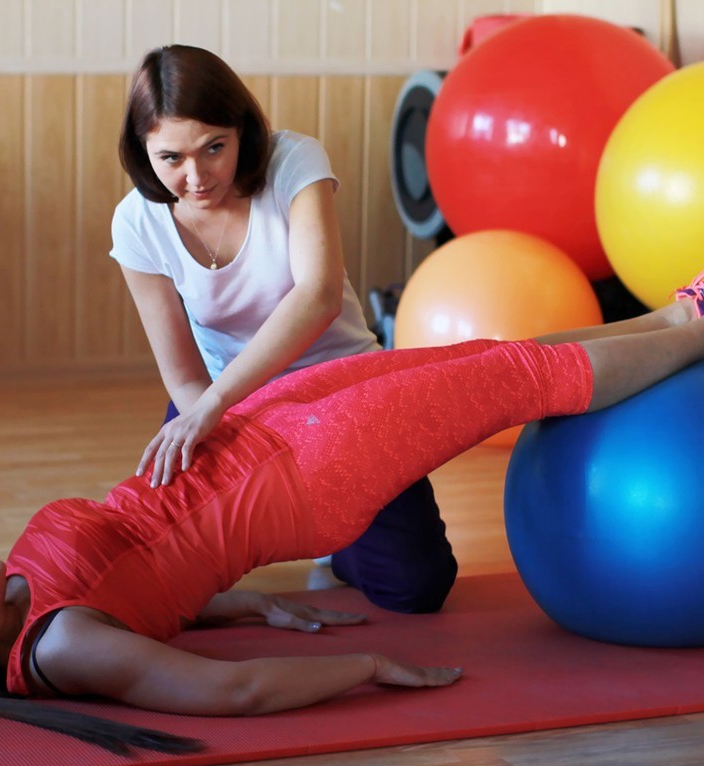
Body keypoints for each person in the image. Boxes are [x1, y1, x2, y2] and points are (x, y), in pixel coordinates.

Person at [0, 281, 704, 752]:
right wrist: (367, 667)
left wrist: (247, 603)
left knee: (483, 357)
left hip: (255, 428)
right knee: (514, 381)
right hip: (304, 475)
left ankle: (679, 313)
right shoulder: (60, 649)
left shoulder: (24, 596)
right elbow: (231, 692)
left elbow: (137, 591)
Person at [109, 43, 456, 614]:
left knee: (417, 588)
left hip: (339, 386)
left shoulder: (294, 161)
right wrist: (218, 417)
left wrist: (220, 403)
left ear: (242, 131)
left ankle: (336, 543)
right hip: (225, 399)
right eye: (171, 158)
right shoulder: (137, 222)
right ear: (143, 153)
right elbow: (183, 374)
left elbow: (317, 296)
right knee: (162, 578)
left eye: (214, 148)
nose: (196, 177)